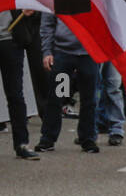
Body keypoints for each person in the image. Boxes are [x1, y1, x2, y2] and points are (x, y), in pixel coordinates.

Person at [0, 8, 41, 160]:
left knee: (15, 94)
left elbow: (36, 3)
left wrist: (32, 11)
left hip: (13, 42)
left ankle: (22, 143)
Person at [38, 13, 99, 153]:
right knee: (58, 97)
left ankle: (88, 138)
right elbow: (47, 23)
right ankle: (48, 138)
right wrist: (47, 51)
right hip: (64, 54)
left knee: (88, 99)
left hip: (88, 54)